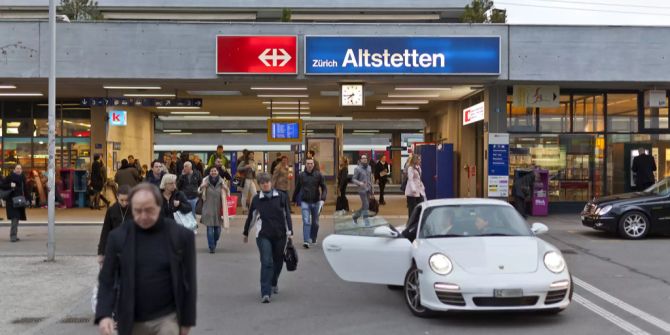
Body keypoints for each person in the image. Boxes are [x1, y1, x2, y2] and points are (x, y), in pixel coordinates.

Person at [95, 183, 197, 335]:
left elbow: (189, 282)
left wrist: (187, 321)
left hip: (168, 318)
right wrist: (104, 315)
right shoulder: (118, 237)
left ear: (159, 206)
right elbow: (107, 280)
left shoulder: (182, 237)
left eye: (149, 210)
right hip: (131, 319)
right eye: (137, 211)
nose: (143, 216)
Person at [243, 172, 293, 304]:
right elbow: (252, 216)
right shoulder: (256, 199)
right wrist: (246, 232)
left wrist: (290, 231)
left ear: (271, 183)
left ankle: (273, 281)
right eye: (262, 183)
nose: (265, 184)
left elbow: (286, 214)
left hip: (280, 234)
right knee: (266, 261)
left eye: (267, 182)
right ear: (259, 185)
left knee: (278, 261)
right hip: (263, 234)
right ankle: (265, 292)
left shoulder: (281, 196)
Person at [292, 158, 327, 249]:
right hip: (305, 202)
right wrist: (293, 199)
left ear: (314, 165)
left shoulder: (319, 175)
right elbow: (297, 188)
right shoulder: (301, 175)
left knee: (315, 223)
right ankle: (306, 241)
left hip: (316, 202)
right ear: (305, 165)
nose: (309, 165)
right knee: (306, 221)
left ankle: (313, 238)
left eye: (311, 163)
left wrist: (323, 199)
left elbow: (324, 188)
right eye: (308, 163)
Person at [96, 185, 131, 266]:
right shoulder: (111, 210)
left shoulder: (134, 209)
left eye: (127, 200)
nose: (124, 203)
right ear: (117, 197)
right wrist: (101, 252)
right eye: (122, 200)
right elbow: (105, 231)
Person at [199, 167, 230, 253]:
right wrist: (202, 186)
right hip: (208, 208)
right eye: (212, 171)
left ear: (218, 172)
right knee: (209, 229)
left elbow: (228, 194)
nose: (213, 172)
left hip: (218, 209)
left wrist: (226, 188)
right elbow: (199, 191)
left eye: (215, 171)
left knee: (218, 230)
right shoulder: (205, 180)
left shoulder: (222, 181)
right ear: (209, 172)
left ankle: (214, 242)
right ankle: (211, 247)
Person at [1, 164, 27, 242]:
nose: (18, 170)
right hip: (12, 202)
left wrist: (28, 198)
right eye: (17, 168)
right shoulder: (10, 177)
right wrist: (10, 185)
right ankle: (13, 236)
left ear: (21, 170)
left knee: (17, 218)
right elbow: (2, 185)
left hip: (20, 201)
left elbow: (25, 189)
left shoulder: (22, 177)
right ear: (14, 169)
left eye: (20, 168)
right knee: (15, 218)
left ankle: (14, 235)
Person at [352, 155, 373, 226]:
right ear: (360, 160)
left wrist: (372, 189)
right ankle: (366, 222)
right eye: (363, 158)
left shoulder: (369, 167)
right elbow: (353, 179)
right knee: (366, 205)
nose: (364, 159)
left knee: (365, 206)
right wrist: (359, 183)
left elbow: (370, 179)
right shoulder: (357, 169)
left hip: (368, 189)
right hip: (362, 190)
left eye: (365, 158)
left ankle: (355, 216)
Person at [237, 150, 258, 214]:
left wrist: (255, 170)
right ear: (248, 155)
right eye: (250, 154)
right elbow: (238, 168)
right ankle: (244, 209)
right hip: (245, 180)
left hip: (251, 180)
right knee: (244, 195)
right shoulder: (244, 162)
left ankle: (252, 207)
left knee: (255, 194)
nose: (252, 155)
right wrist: (245, 167)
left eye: (252, 154)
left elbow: (254, 171)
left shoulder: (253, 162)